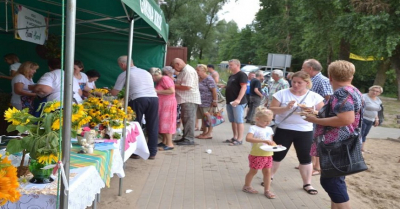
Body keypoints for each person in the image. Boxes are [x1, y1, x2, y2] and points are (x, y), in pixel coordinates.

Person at [304, 60, 363, 209]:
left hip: (336, 144)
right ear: (351, 76)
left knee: (331, 182)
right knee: (336, 180)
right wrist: (318, 113)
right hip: (343, 142)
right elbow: (344, 115)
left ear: (330, 76)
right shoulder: (354, 90)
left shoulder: (342, 92)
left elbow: (346, 119)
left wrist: (315, 119)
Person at [268, 71, 324, 195]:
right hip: (284, 128)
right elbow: (272, 110)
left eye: (300, 82)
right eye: (294, 82)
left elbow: (322, 113)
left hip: (304, 130)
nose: (296, 85)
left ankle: (307, 183)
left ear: (307, 83)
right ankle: (269, 177)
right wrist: (286, 108)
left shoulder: (314, 96)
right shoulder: (281, 94)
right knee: (277, 155)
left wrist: (311, 110)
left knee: (305, 157)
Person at [110, 55, 159, 159]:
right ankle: (152, 152)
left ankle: (136, 152)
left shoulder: (125, 73)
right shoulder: (146, 72)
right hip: (154, 98)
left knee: (135, 125)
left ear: (122, 64)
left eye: (120, 65)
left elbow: (115, 92)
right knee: (153, 125)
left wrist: (105, 92)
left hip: (138, 99)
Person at [301, 58, 334, 175]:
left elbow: (329, 98)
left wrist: (319, 112)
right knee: (311, 140)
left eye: (303, 68)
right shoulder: (312, 79)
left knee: (318, 140)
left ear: (310, 69)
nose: (302, 69)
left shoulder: (322, 80)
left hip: (319, 115)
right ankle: (309, 163)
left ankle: (317, 167)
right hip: (313, 114)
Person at [242, 107, 276, 199]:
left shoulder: (269, 129)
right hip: (257, 154)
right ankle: (247, 186)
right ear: (257, 119)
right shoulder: (254, 128)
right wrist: (263, 140)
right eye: (266, 121)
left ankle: (267, 190)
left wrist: (275, 145)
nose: (268, 123)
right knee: (253, 171)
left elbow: (271, 141)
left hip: (268, 154)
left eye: (270, 121)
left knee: (268, 172)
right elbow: (248, 138)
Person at [171, 58, 201, 145]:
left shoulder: (188, 71)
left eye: (174, 67)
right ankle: (186, 137)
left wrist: (172, 84)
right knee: (185, 119)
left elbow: (187, 86)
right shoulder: (185, 70)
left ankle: (189, 139)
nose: (174, 69)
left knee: (189, 119)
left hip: (189, 99)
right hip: (185, 99)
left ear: (178, 64)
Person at [150, 67, 177, 151]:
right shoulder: (161, 80)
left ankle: (169, 144)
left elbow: (171, 91)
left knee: (167, 123)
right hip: (164, 104)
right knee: (162, 122)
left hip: (168, 104)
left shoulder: (165, 79)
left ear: (154, 75)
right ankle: (164, 141)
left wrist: (156, 91)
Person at [223, 59, 248, 146]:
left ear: (237, 65)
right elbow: (233, 86)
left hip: (238, 102)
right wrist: (225, 86)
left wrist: (238, 99)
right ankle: (235, 137)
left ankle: (240, 139)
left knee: (239, 120)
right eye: (229, 65)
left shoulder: (242, 75)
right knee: (233, 120)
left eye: (231, 65)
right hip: (229, 101)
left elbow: (243, 87)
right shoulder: (231, 76)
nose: (229, 66)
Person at [195, 64, 218, 139]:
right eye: (196, 70)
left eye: (198, 70)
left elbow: (214, 91)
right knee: (203, 117)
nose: (196, 71)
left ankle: (209, 133)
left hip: (208, 102)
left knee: (209, 118)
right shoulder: (199, 78)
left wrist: (215, 101)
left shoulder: (209, 79)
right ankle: (204, 132)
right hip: (200, 101)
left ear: (204, 70)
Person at [361, 85, 383, 153]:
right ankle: (357, 149)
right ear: (369, 90)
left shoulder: (378, 100)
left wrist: (376, 119)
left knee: (365, 134)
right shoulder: (363, 97)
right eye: (373, 90)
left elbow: (376, 110)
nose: (374, 92)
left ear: (379, 93)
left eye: (377, 91)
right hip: (362, 118)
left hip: (371, 119)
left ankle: (362, 148)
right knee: (361, 134)